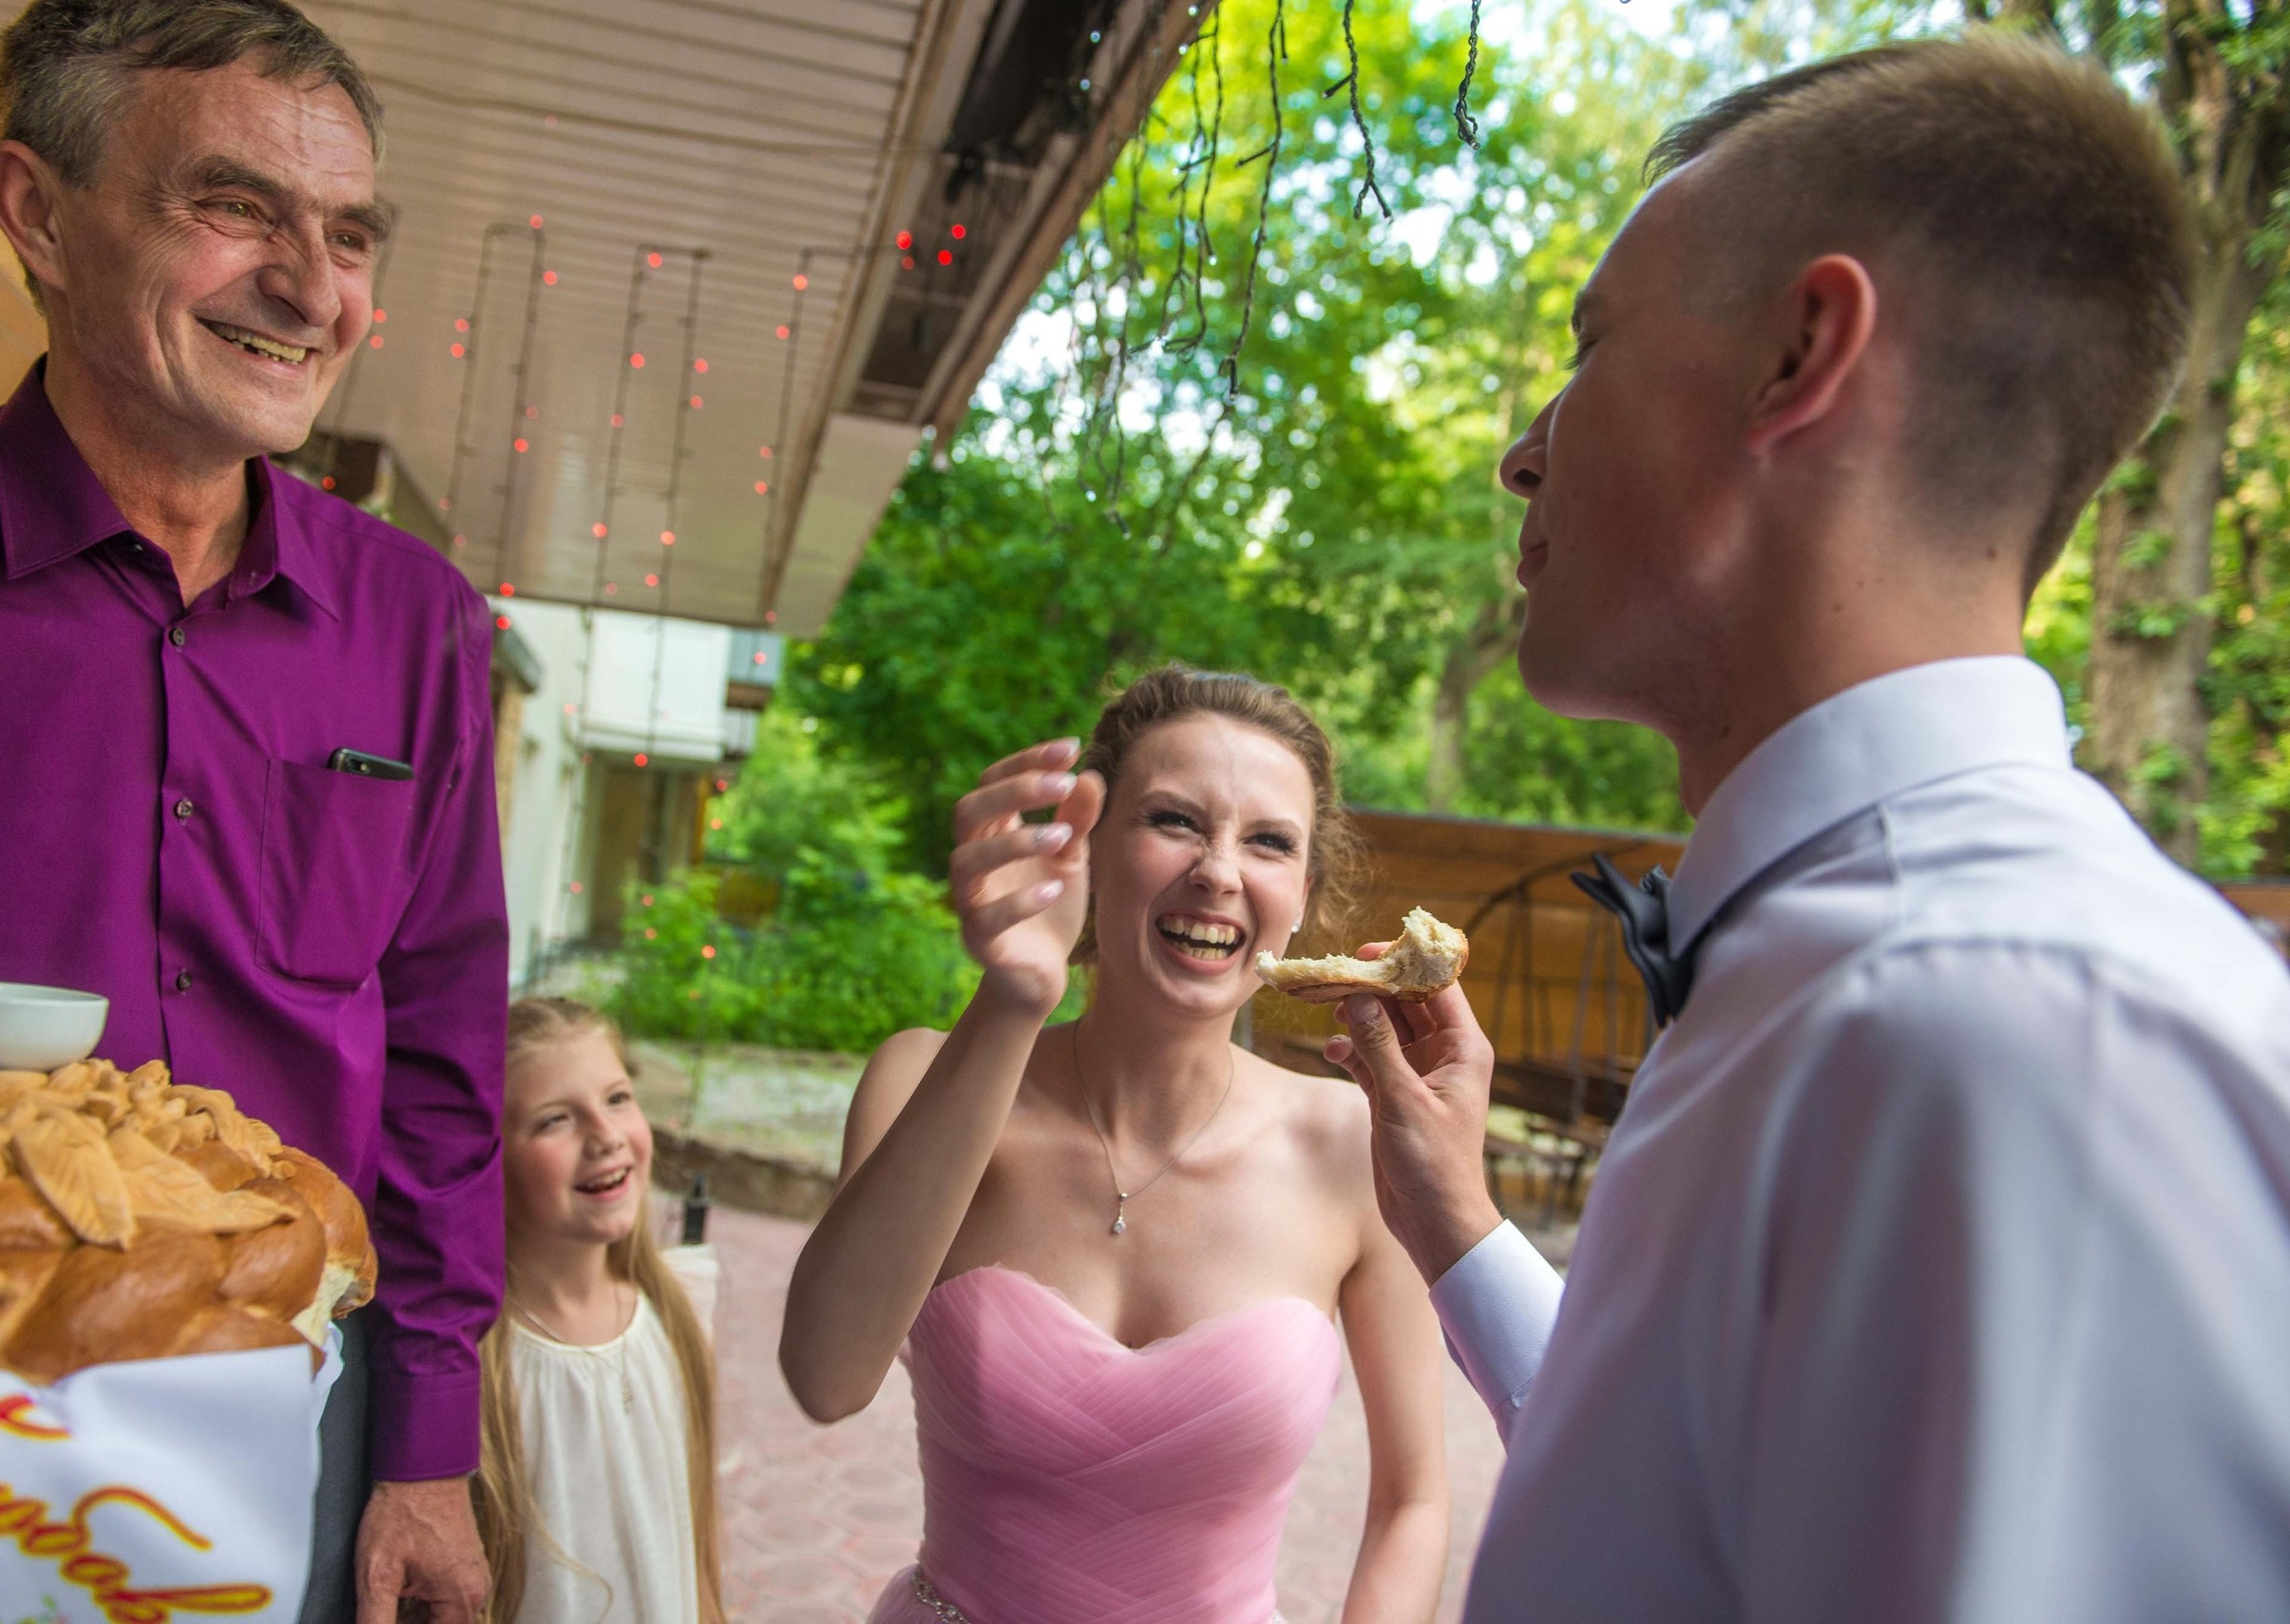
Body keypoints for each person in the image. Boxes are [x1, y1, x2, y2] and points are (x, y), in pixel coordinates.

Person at [1326, 33, 2290, 1623]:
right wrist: (1463, 1226)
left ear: (1801, 354)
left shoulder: (2013, 1035)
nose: (1523, 449)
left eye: (1589, 345)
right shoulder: (1855, 976)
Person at [0, 3, 506, 1618]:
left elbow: (438, 1049)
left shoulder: (416, 620)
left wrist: (425, 1446)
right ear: (37, 212)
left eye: (347, 231)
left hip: (294, 1395)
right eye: (233, 207)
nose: (312, 286)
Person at [782, 666, 1451, 1623]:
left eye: (1267, 840)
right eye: (1174, 819)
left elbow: (1415, 1499)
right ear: (1086, 853)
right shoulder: (921, 1077)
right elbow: (825, 1374)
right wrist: (1014, 998)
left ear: (1301, 893)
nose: (1219, 868)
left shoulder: (1357, 1139)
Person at [474, 997, 724, 1623]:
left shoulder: (676, 1311)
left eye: (617, 1098)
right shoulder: (481, 1359)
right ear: (490, 1152)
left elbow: (695, 1541)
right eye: (555, 1119)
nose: (606, 1135)